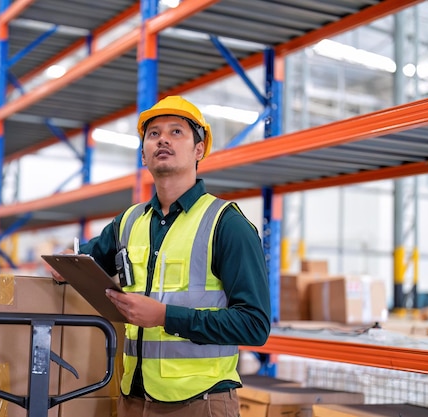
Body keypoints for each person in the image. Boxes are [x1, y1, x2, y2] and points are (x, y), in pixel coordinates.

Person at [50, 95, 271, 417]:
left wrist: (165, 316)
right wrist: (66, 262)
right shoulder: (128, 222)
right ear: (143, 154)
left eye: (176, 132)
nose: (162, 139)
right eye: (153, 134)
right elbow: (84, 262)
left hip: (200, 402)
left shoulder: (227, 224)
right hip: (133, 398)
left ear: (199, 150)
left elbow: (254, 325)